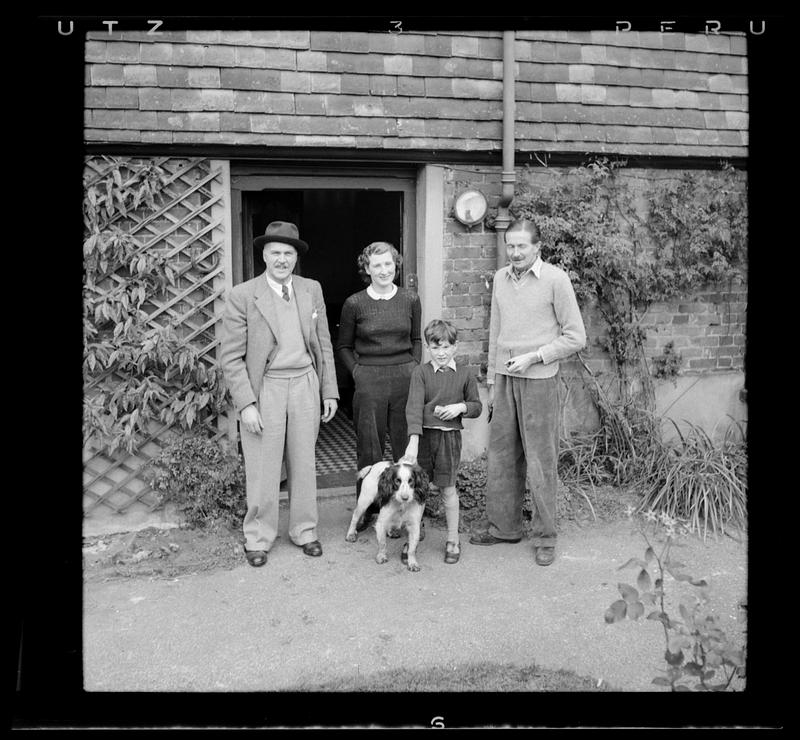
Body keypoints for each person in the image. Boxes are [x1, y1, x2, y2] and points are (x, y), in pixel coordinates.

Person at [220, 221, 339, 567]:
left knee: (304, 461)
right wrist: (246, 404)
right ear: (264, 255)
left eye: (288, 253)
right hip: (266, 386)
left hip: (304, 382)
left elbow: (324, 344)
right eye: (275, 253)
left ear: (295, 257)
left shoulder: (311, 289)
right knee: (263, 465)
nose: (282, 259)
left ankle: (304, 530)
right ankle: (258, 536)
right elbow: (230, 357)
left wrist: (328, 390)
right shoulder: (243, 295)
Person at [469, 218, 586, 566]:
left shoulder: (555, 279)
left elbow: (576, 337)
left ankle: (545, 536)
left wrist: (536, 357)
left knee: (540, 461)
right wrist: (491, 378)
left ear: (537, 247)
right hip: (504, 380)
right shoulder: (501, 280)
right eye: (511, 245)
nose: (515, 252)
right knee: (503, 457)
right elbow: (495, 333)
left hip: (539, 381)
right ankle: (504, 528)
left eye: (522, 246)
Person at [336, 241, 422, 529]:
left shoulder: (410, 298)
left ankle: (407, 512)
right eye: (377, 265)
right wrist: (358, 372)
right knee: (369, 446)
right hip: (369, 379)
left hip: (404, 378)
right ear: (367, 269)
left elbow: (417, 340)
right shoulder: (354, 303)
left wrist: (414, 368)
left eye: (388, 264)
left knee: (404, 445)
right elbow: (344, 346)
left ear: (395, 265)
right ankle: (368, 509)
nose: (384, 270)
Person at [401, 319, 482, 564]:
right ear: (428, 348)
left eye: (446, 347)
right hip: (425, 438)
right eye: (436, 348)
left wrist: (461, 407)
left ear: (455, 347)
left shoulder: (465, 374)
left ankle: (452, 539)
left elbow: (477, 407)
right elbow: (414, 407)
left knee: (448, 489)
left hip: (449, 440)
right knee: (418, 490)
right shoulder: (421, 373)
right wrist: (413, 441)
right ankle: (413, 535)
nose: (442, 353)